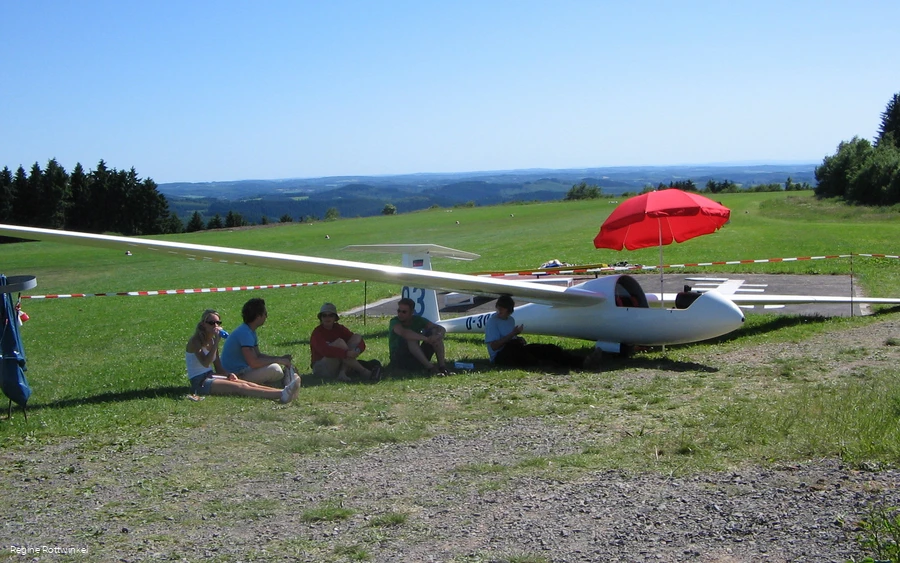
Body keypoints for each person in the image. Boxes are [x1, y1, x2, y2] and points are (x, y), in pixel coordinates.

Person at [186, 309, 301, 403]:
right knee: (240, 388)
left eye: (218, 323)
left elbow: (219, 368)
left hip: (211, 375)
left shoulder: (211, 341)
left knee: (245, 383)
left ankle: (285, 391)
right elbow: (205, 363)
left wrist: (229, 374)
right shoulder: (195, 341)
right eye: (211, 323)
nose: (215, 325)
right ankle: (282, 394)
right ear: (203, 324)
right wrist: (216, 342)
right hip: (200, 382)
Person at [485, 295, 586, 371]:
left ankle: (582, 361)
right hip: (500, 356)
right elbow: (494, 346)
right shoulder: (492, 322)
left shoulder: (510, 320)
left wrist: (517, 338)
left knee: (547, 349)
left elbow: (511, 338)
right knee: (521, 352)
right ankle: (547, 364)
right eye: (498, 307)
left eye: (503, 308)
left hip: (514, 348)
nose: (499, 310)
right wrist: (512, 334)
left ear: (509, 310)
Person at [221, 298, 296, 387]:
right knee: (275, 369)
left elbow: (258, 355)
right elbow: (254, 362)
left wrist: (280, 358)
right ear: (258, 317)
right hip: (235, 375)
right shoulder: (245, 333)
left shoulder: (248, 331)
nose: (266, 317)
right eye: (265, 314)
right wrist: (278, 360)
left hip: (242, 371)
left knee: (274, 367)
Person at [310, 302, 381, 383]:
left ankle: (342, 373)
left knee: (356, 336)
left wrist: (356, 351)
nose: (327, 318)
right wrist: (346, 353)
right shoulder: (317, 332)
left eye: (331, 315)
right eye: (324, 315)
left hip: (337, 364)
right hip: (321, 368)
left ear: (335, 318)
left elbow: (360, 341)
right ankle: (364, 372)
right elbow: (325, 351)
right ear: (320, 318)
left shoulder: (339, 328)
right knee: (340, 343)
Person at [388, 297, 452, 375]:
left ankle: (442, 367)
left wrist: (438, 335)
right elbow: (405, 333)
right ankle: (430, 368)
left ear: (412, 312)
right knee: (411, 338)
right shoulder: (394, 321)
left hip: (416, 356)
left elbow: (440, 328)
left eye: (404, 312)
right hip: (399, 360)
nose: (400, 314)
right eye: (399, 311)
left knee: (434, 332)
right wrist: (426, 339)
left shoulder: (418, 320)